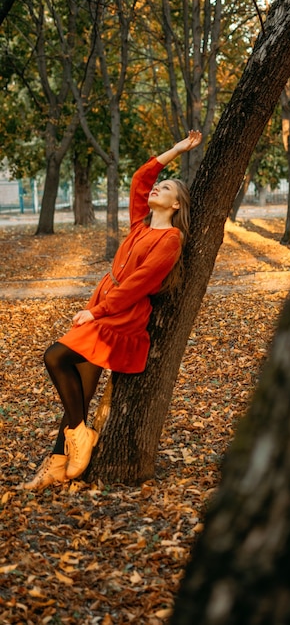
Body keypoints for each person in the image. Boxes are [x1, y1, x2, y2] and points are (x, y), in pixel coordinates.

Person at [22, 130, 203, 491]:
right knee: (80, 393)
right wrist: (177, 149)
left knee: (55, 357)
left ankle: (79, 435)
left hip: (121, 317)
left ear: (177, 205)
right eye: (159, 186)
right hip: (103, 308)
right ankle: (58, 463)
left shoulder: (169, 240)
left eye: (166, 189)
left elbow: (138, 285)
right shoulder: (139, 226)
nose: (157, 190)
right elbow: (140, 179)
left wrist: (97, 312)